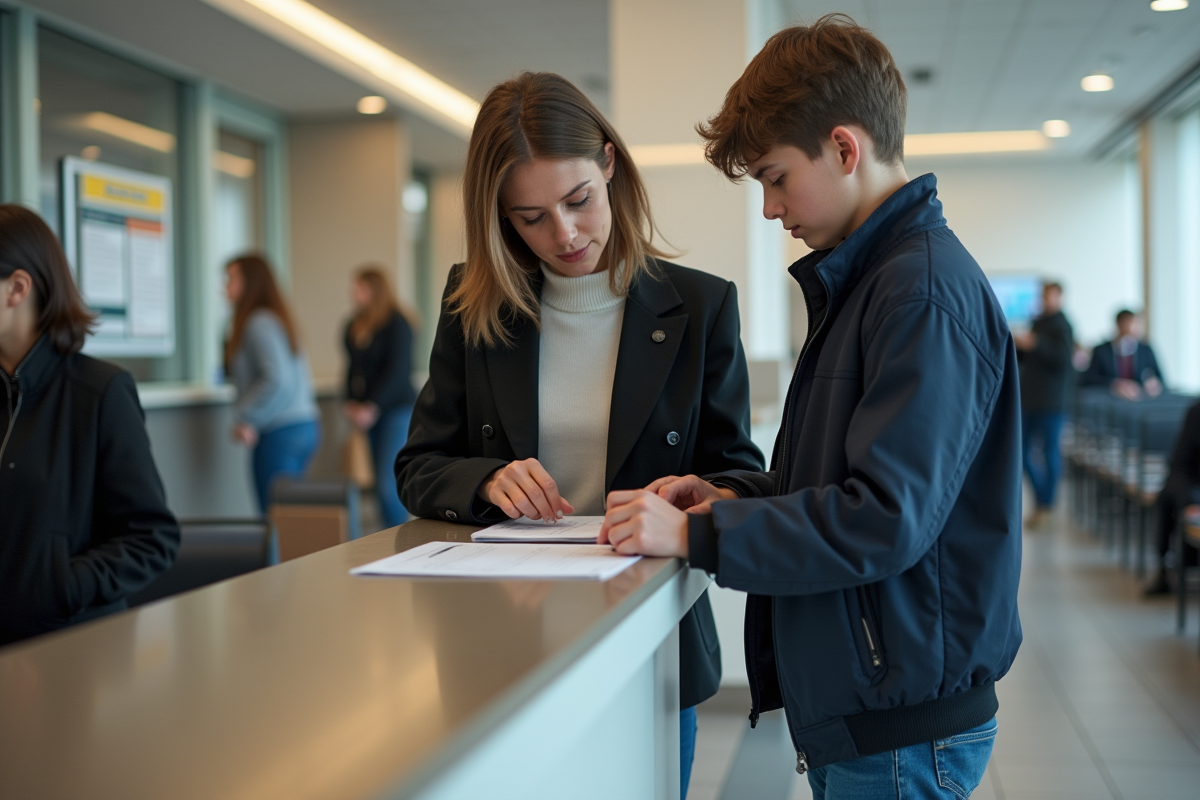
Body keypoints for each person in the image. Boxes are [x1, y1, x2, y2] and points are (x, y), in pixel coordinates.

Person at [599, 16, 1021, 800]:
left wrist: (703, 535)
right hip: (880, 708)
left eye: (773, 176)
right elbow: (836, 475)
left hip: (901, 726)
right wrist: (734, 496)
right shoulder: (871, 282)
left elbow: (885, 516)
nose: (768, 209)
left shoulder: (918, 290)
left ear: (844, 148)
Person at [394, 72, 764, 798]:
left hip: (648, 639)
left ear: (609, 164)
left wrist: (698, 497)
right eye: (530, 217)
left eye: (577, 201)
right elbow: (418, 466)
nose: (563, 235)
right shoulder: (472, 304)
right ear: (499, 215)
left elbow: (741, 472)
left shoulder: (701, 305)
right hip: (501, 642)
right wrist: (484, 480)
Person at [0, 204, 179, 646]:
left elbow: (152, 538)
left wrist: (60, 588)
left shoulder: (99, 392)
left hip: (66, 651)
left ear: (17, 288)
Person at [224, 254, 320, 513]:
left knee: (277, 519)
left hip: (281, 432)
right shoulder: (274, 319)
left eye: (231, 279)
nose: (225, 287)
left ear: (251, 283)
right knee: (290, 517)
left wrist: (247, 417)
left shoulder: (259, 322)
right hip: (301, 425)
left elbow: (278, 380)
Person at [343, 265, 417, 528]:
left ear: (375, 290)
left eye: (360, 288)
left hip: (396, 410)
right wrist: (350, 401)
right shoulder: (353, 325)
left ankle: (398, 539)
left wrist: (373, 405)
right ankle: (386, 537)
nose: (354, 293)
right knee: (375, 483)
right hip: (367, 414)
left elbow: (398, 372)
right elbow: (352, 368)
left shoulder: (398, 323)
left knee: (388, 483)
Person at [1013, 282, 1075, 528]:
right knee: (1021, 452)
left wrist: (1035, 344)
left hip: (1052, 401)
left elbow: (1062, 359)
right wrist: (1019, 345)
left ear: (1059, 297)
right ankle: (1041, 499)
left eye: (1049, 295)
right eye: (1043, 295)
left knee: (1050, 454)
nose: (1045, 299)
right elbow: (1026, 359)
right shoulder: (1037, 322)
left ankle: (1046, 504)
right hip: (1029, 398)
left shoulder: (1064, 325)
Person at [1144, 399, 1200, 596]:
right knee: (1167, 497)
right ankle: (1164, 572)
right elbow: (1180, 464)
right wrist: (1191, 501)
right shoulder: (1196, 412)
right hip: (1193, 484)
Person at [1080, 309, 1164, 400]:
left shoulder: (1145, 350)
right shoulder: (1101, 351)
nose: (1132, 328)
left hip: (1140, 401)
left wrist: (1153, 383)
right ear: (1118, 325)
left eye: (1135, 324)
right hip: (1110, 402)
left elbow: (1160, 378)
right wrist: (1114, 384)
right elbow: (1089, 378)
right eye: (1128, 323)